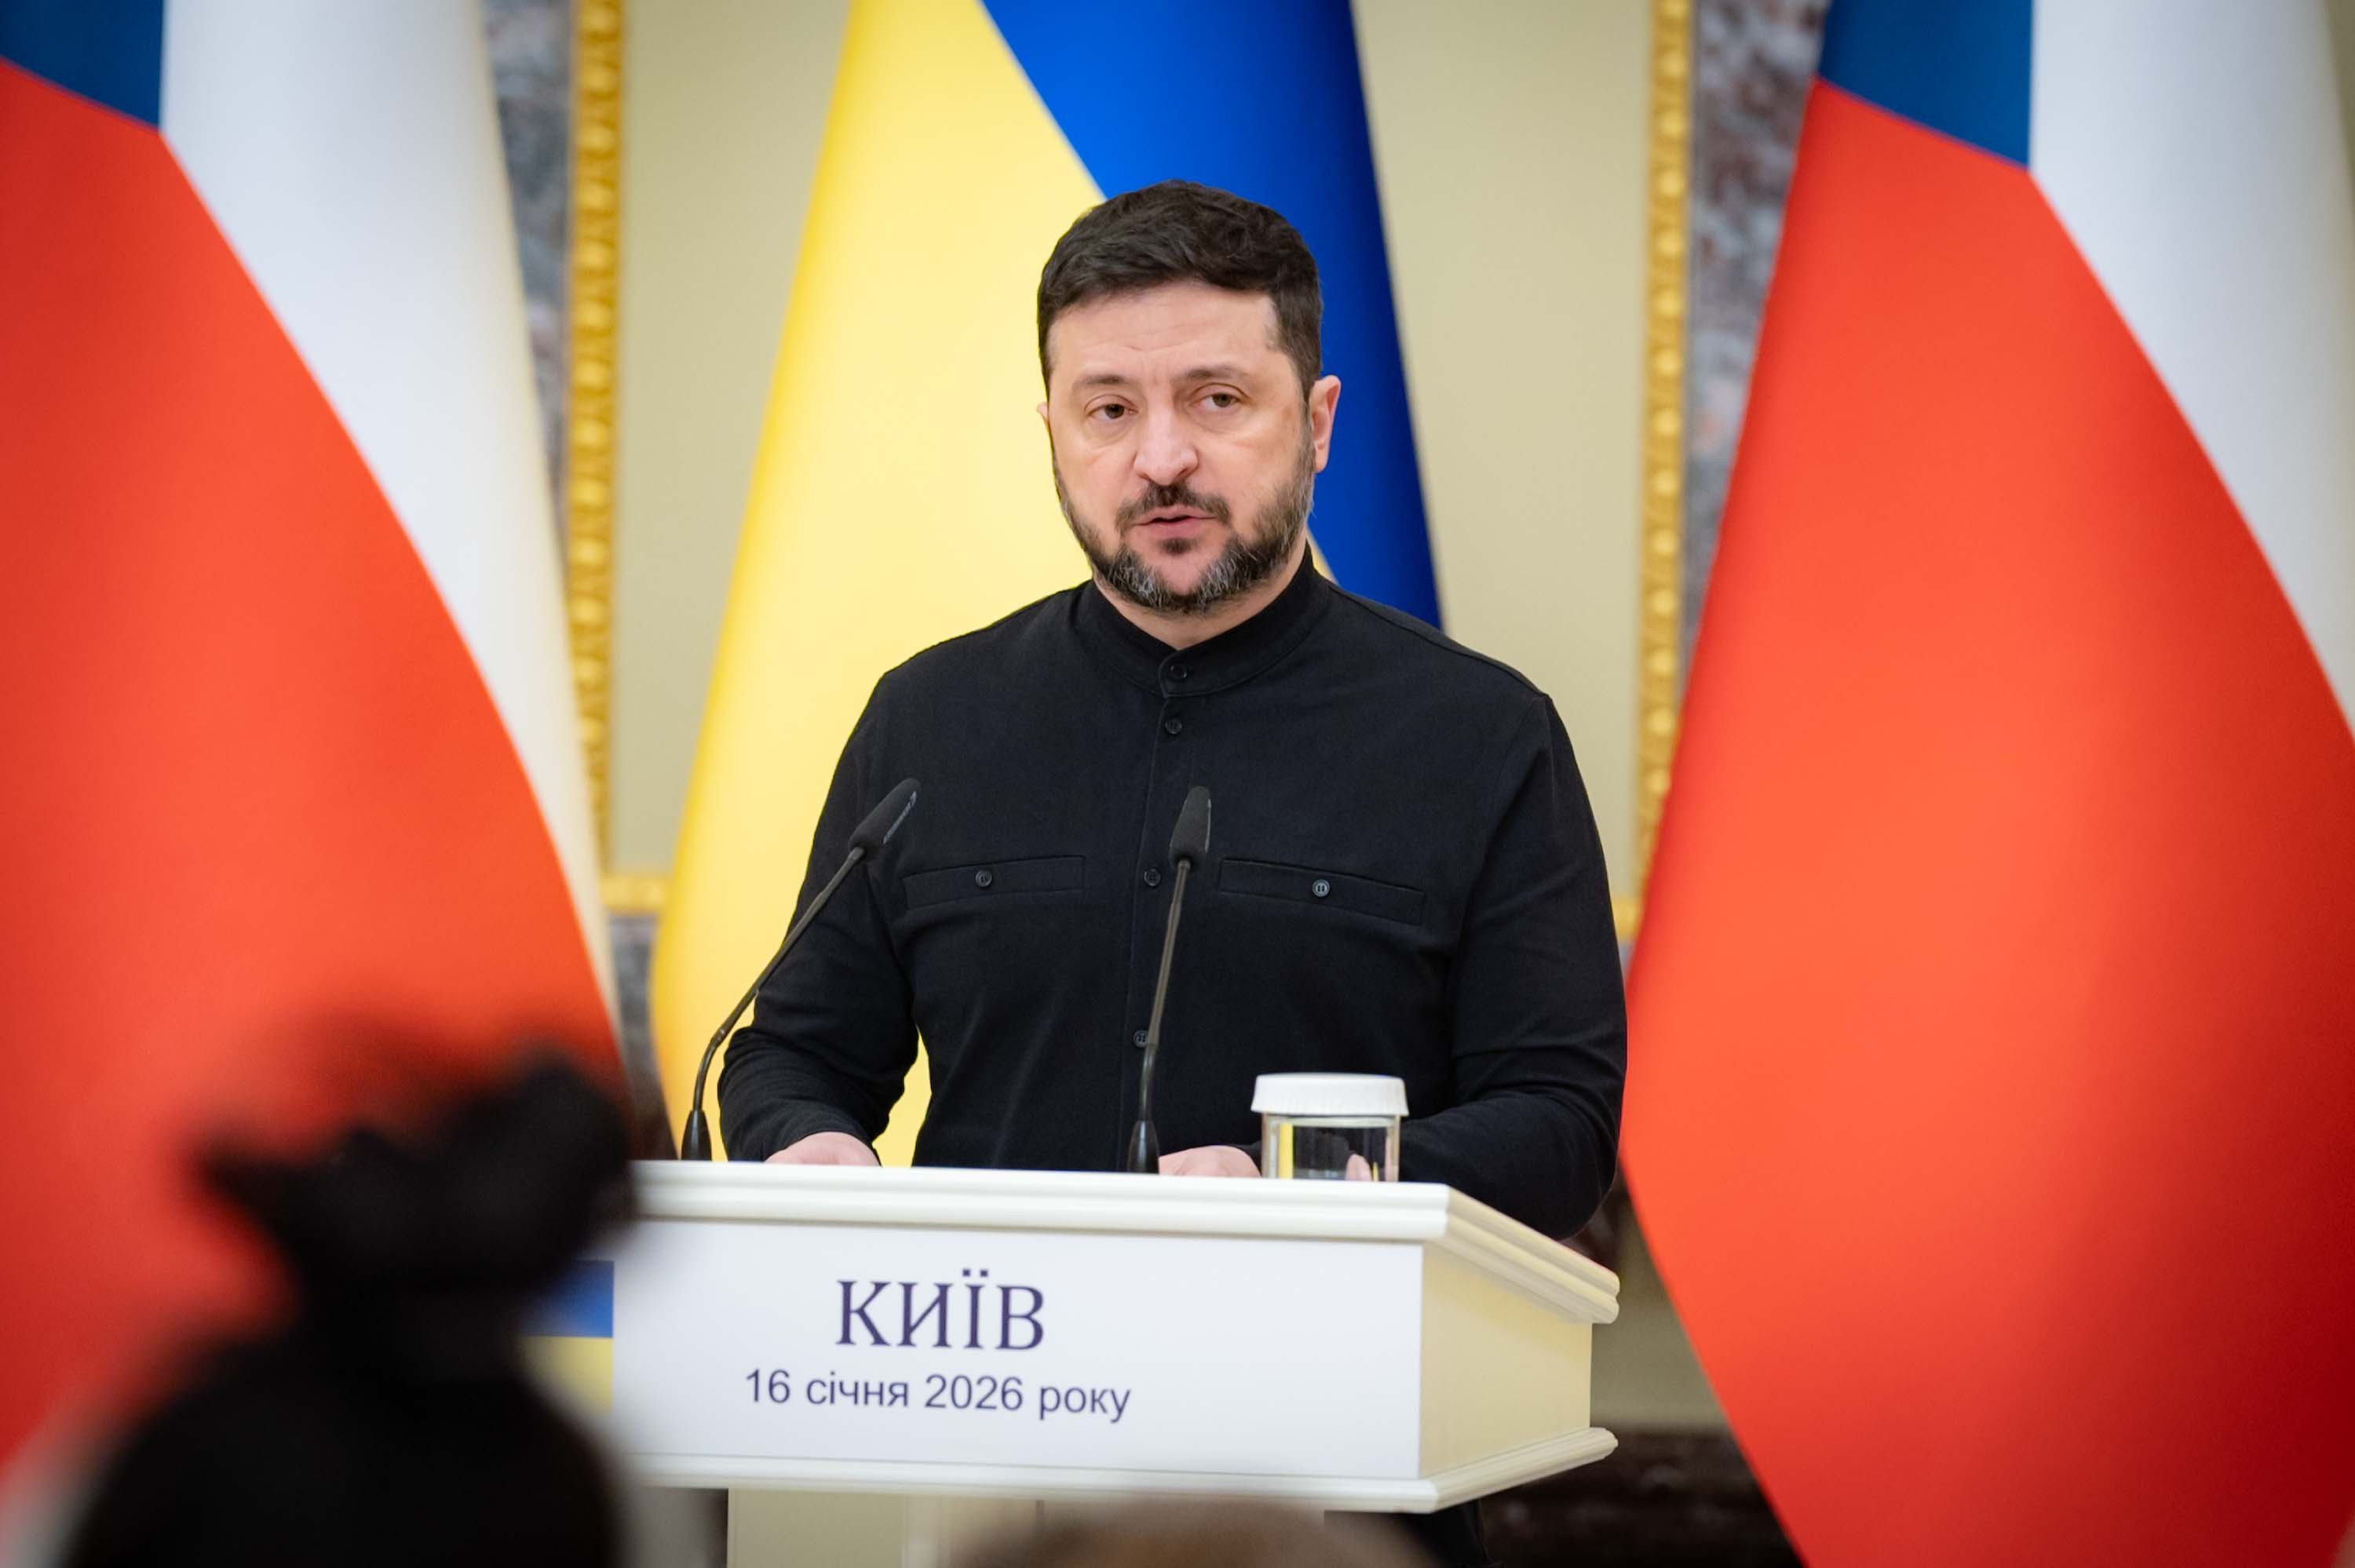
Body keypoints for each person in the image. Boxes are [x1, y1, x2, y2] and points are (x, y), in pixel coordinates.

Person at [717, 181, 1624, 1564]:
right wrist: (813, 1153)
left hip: (1339, 1484)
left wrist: (1319, 1186)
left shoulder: (1481, 735)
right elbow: (789, 1056)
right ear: (1053, 433)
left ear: (1316, 423)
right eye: (1109, 409)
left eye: (1215, 401)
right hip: (974, 1469)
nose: (1160, 461)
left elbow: (1561, 1118)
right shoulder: (929, 719)